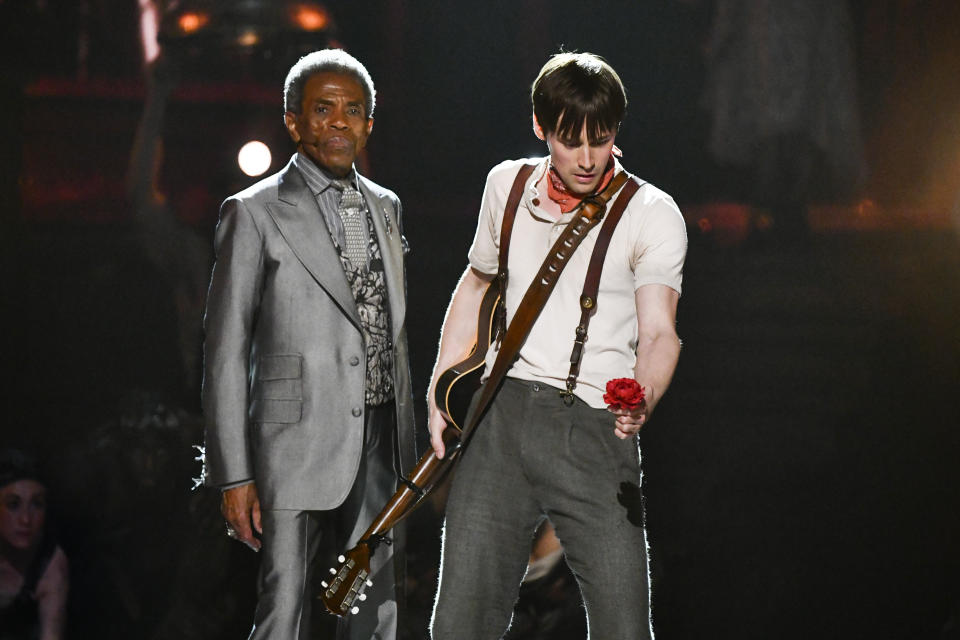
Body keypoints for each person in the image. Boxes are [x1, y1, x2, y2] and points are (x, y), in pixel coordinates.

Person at [427, 52, 687, 639]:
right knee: (460, 623)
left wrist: (642, 394)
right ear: (541, 128)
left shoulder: (652, 212)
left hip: (591, 428)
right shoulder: (506, 183)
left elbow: (659, 331)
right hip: (499, 418)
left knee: (624, 622)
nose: (590, 157)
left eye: (603, 138)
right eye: (572, 142)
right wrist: (441, 389)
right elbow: (477, 283)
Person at [202, 48, 416, 640]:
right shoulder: (254, 211)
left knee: (372, 612)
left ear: (370, 123)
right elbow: (224, 349)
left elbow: (388, 327)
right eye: (324, 109)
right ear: (294, 121)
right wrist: (233, 474)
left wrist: (407, 441)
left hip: (377, 439)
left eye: (354, 110)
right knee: (284, 610)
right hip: (289, 445)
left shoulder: (387, 207)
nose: (341, 122)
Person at [0, 449, 69, 640]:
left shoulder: (50, 565)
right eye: (13, 504)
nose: (25, 519)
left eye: (36, 504)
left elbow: (51, 635)